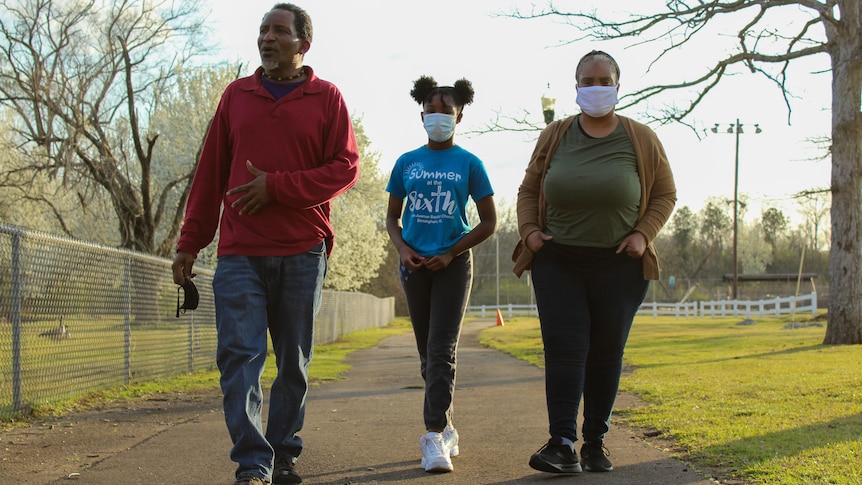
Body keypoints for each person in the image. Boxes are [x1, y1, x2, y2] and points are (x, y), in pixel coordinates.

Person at [171, 4, 359, 485]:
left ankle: (283, 452)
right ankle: (253, 463)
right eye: (262, 30)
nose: (268, 38)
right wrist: (190, 242)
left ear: (303, 44)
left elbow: (345, 168)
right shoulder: (237, 96)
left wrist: (275, 187)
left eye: (279, 31)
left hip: (302, 250)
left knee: (292, 362)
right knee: (240, 358)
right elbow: (210, 174)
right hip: (239, 253)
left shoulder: (327, 98)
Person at [513, 50, 676, 475]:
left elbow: (664, 194)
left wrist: (643, 234)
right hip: (558, 259)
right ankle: (561, 443)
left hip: (619, 263)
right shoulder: (555, 135)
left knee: (606, 352)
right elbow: (529, 189)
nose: (597, 87)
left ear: (618, 88)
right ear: (576, 87)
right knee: (565, 349)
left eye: (606, 80)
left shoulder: (641, 138)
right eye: (589, 80)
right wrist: (529, 231)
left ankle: (595, 441)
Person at [385, 75, 497, 473]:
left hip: (453, 265)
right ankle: (447, 426)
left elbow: (489, 222)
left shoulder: (470, 163)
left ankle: (432, 436)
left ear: (459, 116)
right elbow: (392, 218)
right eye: (431, 110)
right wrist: (403, 250)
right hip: (414, 266)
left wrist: (451, 253)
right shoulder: (406, 162)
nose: (437, 116)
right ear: (421, 114)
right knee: (426, 353)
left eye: (445, 111)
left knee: (440, 349)